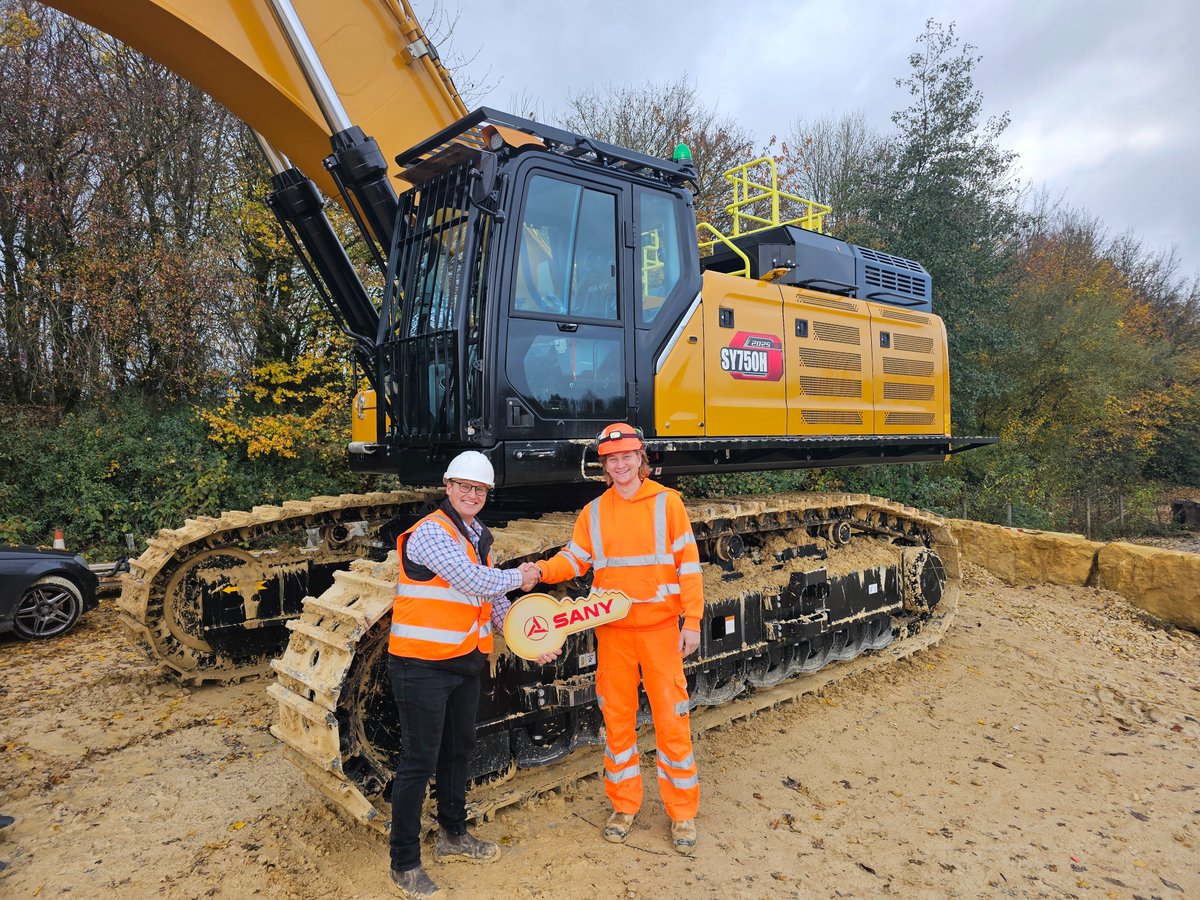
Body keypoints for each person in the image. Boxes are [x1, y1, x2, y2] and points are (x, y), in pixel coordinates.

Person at [529, 423, 704, 855]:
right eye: (612, 459)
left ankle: (682, 813)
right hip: (614, 634)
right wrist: (541, 570)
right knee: (617, 721)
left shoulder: (668, 503)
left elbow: (689, 565)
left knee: (671, 720)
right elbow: (575, 559)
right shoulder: (594, 512)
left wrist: (693, 621)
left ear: (640, 459)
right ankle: (624, 806)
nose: (620, 464)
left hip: (661, 632)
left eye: (627, 456)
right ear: (604, 466)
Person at [387, 450, 539, 899]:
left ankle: (453, 835)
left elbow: (492, 601)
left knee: (458, 751)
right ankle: (405, 864)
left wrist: (530, 638)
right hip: (421, 666)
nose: (472, 495)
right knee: (418, 761)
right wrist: (521, 575)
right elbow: (472, 581)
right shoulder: (431, 532)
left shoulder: (479, 536)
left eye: (480, 489)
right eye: (465, 487)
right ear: (449, 487)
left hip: (464, 661)